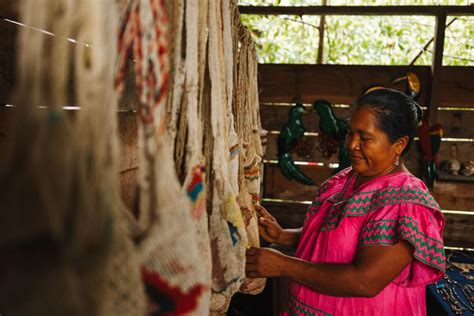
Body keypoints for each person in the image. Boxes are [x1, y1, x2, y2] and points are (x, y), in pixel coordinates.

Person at [246, 88, 445, 316]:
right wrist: (283, 235)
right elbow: (336, 239)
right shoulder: (347, 179)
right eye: (350, 133)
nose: (351, 145)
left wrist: (284, 265)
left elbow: (365, 282)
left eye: (365, 138)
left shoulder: (405, 201)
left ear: (399, 144)